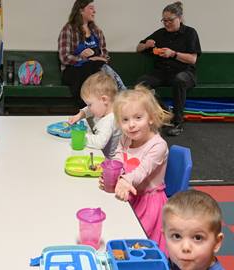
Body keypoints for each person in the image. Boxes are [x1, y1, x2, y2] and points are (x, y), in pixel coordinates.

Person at [100, 85, 172, 252]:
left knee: (137, 243)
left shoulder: (158, 146)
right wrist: (111, 173)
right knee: (115, 230)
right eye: (125, 120)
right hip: (130, 193)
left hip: (149, 201)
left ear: (151, 118)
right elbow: (118, 157)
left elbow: (141, 171)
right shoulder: (126, 138)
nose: (131, 125)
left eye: (138, 117)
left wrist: (124, 180)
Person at [136, 1, 201, 136]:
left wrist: (173, 54)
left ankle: (178, 122)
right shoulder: (160, 33)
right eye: (164, 20)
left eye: (170, 20)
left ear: (180, 18)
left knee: (179, 80)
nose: (166, 23)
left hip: (185, 72)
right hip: (162, 72)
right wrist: (146, 45)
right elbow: (139, 48)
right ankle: (166, 112)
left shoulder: (190, 33)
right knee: (141, 84)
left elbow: (193, 59)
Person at [58, 0, 109, 111]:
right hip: (73, 71)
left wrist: (96, 58)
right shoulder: (69, 29)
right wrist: (83, 58)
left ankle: (103, 111)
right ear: (81, 10)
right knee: (88, 69)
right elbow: (64, 57)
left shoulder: (97, 31)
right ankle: (86, 109)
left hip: (95, 70)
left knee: (99, 70)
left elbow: (105, 56)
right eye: (91, 8)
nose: (94, 11)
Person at [163, 190, 225, 270]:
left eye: (198, 238)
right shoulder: (172, 262)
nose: (185, 247)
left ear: (217, 243)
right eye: (177, 236)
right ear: (165, 237)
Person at [67, 71, 121, 158]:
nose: (88, 107)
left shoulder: (110, 120)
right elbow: (89, 110)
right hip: (99, 154)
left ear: (104, 100)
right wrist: (80, 115)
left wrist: (81, 136)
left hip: (108, 161)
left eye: (90, 104)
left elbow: (99, 143)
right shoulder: (105, 108)